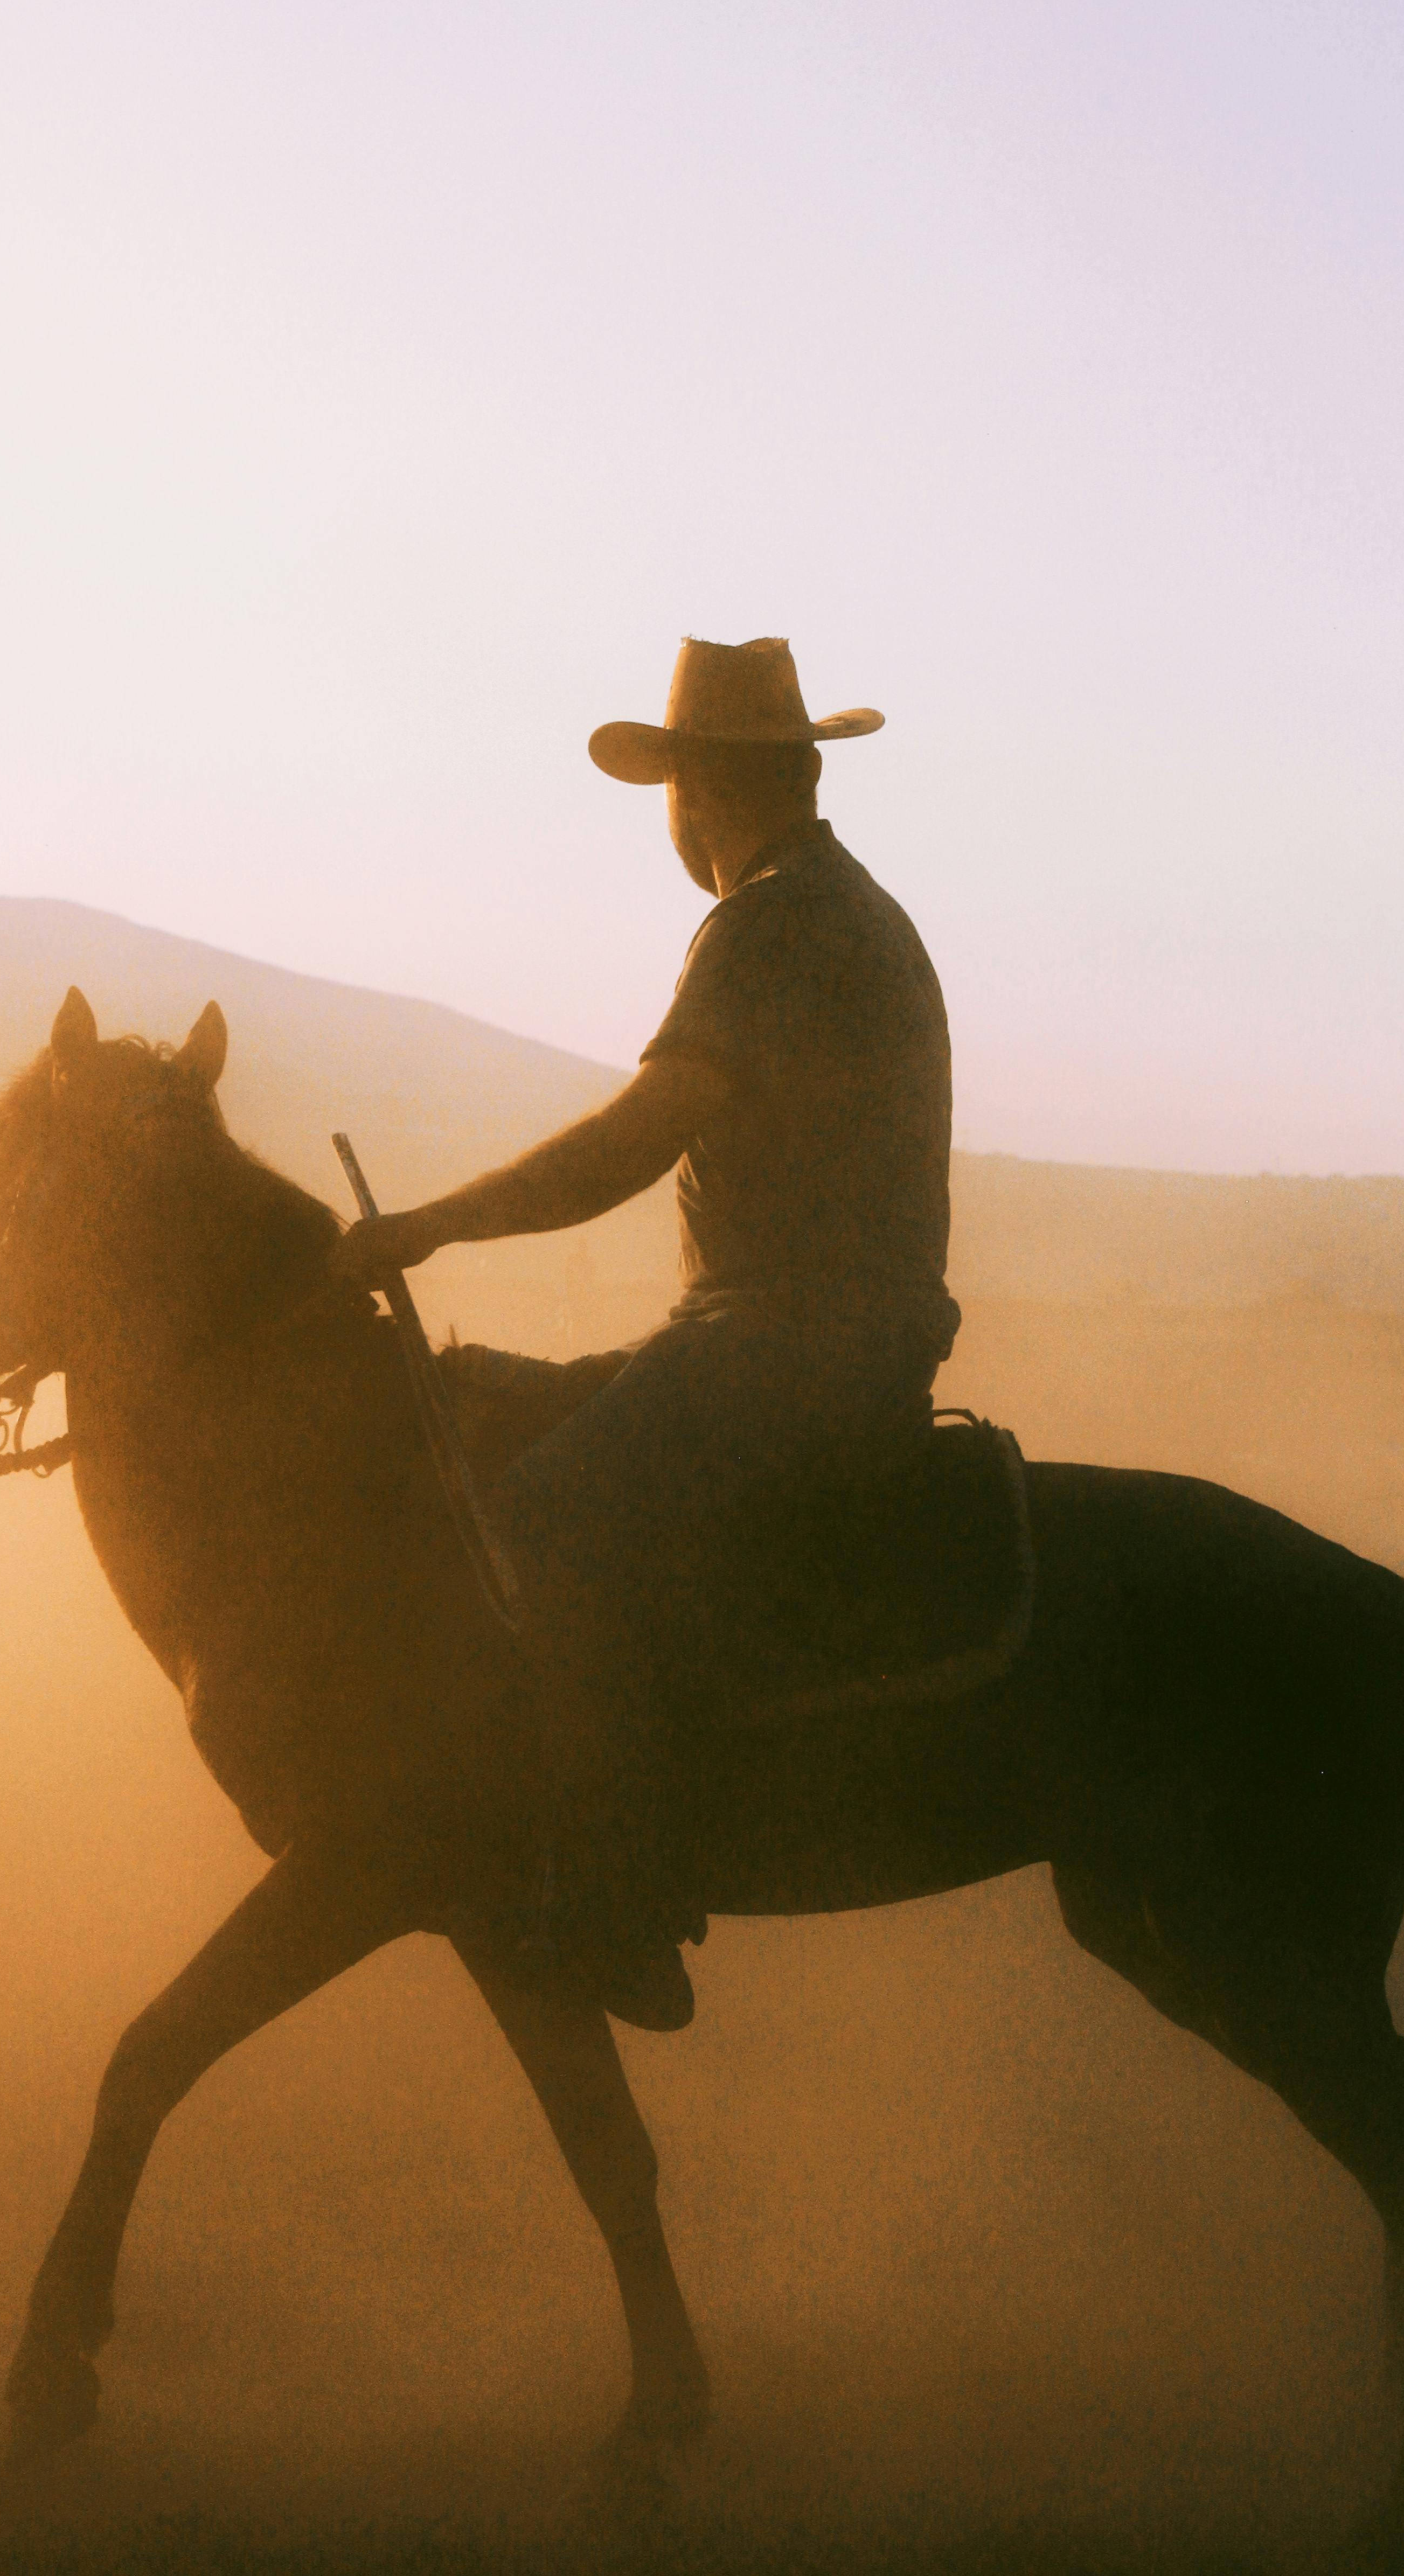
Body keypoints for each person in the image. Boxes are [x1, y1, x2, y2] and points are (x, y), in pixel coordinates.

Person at [332, 636, 961, 2030]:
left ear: (699, 793)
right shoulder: (852, 910)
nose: (674, 818)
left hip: (789, 1345)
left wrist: (431, 1225)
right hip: (822, 1338)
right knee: (527, 1411)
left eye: (679, 788)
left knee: (545, 1515)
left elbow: (638, 1138)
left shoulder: (775, 922)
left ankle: (622, 1894)